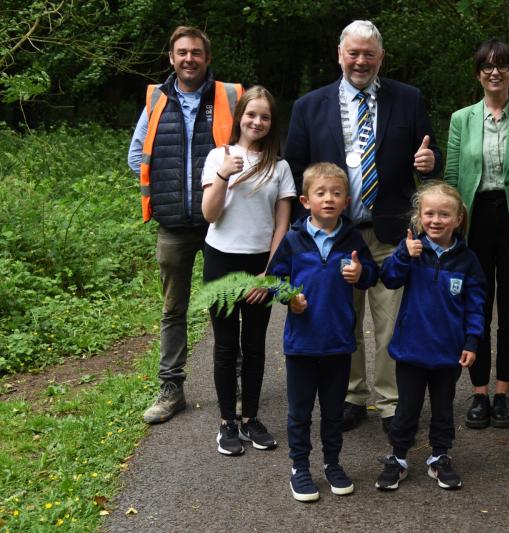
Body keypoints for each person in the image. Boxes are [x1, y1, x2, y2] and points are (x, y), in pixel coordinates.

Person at [284, 20, 442, 433]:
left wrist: (430, 163)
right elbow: (295, 169)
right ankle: (352, 396)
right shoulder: (309, 106)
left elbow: (431, 156)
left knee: (392, 322)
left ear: (381, 58)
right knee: (342, 320)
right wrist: (307, 231)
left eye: (368, 54)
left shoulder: (408, 100)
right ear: (339, 55)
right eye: (353, 53)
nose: (360, 61)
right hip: (336, 236)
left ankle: (390, 403)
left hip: (390, 231)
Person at [128, 26, 243, 424]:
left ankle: (238, 387)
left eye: (196, 52)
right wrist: (167, 192)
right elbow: (136, 156)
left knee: (226, 304)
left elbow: (252, 149)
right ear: (171, 59)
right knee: (173, 309)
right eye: (182, 53)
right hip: (173, 225)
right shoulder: (156, 101)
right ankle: (171, 389)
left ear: (207, 59)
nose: (189, 59)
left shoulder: (230, 98)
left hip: (222, 223)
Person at [444, 39, 509, 429]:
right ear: (478, 74)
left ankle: (503, 391)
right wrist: (448, 230)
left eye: (501, 65)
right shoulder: (462, 119)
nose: (494, 72)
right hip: (473, 222)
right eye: (487, 66)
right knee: (475, 308)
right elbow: (453, 179)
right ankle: (478, 391)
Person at [268, 163, 379, 502]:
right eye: (321, 193)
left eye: (336, 193)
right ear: (305, 200)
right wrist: (290, 298)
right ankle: (299, 467)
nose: (328, 199)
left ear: (346, 201)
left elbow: (373, 274)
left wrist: (360, 272)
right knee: (299, 412)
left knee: (333, 412)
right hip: (301, 345)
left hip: (338, 344)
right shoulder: (293, 240)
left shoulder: (353, 239)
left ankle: (332, 464)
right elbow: (274, 281)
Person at [200, 86, 294, 455]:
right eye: (251, 114)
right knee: (225, 345)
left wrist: (268, 276)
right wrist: (223, 175)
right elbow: (209, 215)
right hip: (222, 260)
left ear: (273, 124)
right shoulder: (217, 157)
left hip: (260, 265)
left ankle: (251, 418)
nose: (257, 121)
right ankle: (227, 423)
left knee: (254, 345)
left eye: (265, 116)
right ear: (239, 116)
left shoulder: (280, 167)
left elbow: (282, 226)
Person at [374, 182, 486, 491]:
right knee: (406, 408)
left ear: (458, 219)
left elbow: (476, 307)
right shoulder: (412, 249)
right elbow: (390, 279)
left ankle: (440, 456)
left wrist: (472, 341)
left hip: (447, 353)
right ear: (419, 217)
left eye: (444, 215)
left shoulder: (468, 261)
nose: (436, 220)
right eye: (429, 214)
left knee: (443, 409)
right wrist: (404, 256)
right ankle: (397, 458)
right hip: (411, 349)